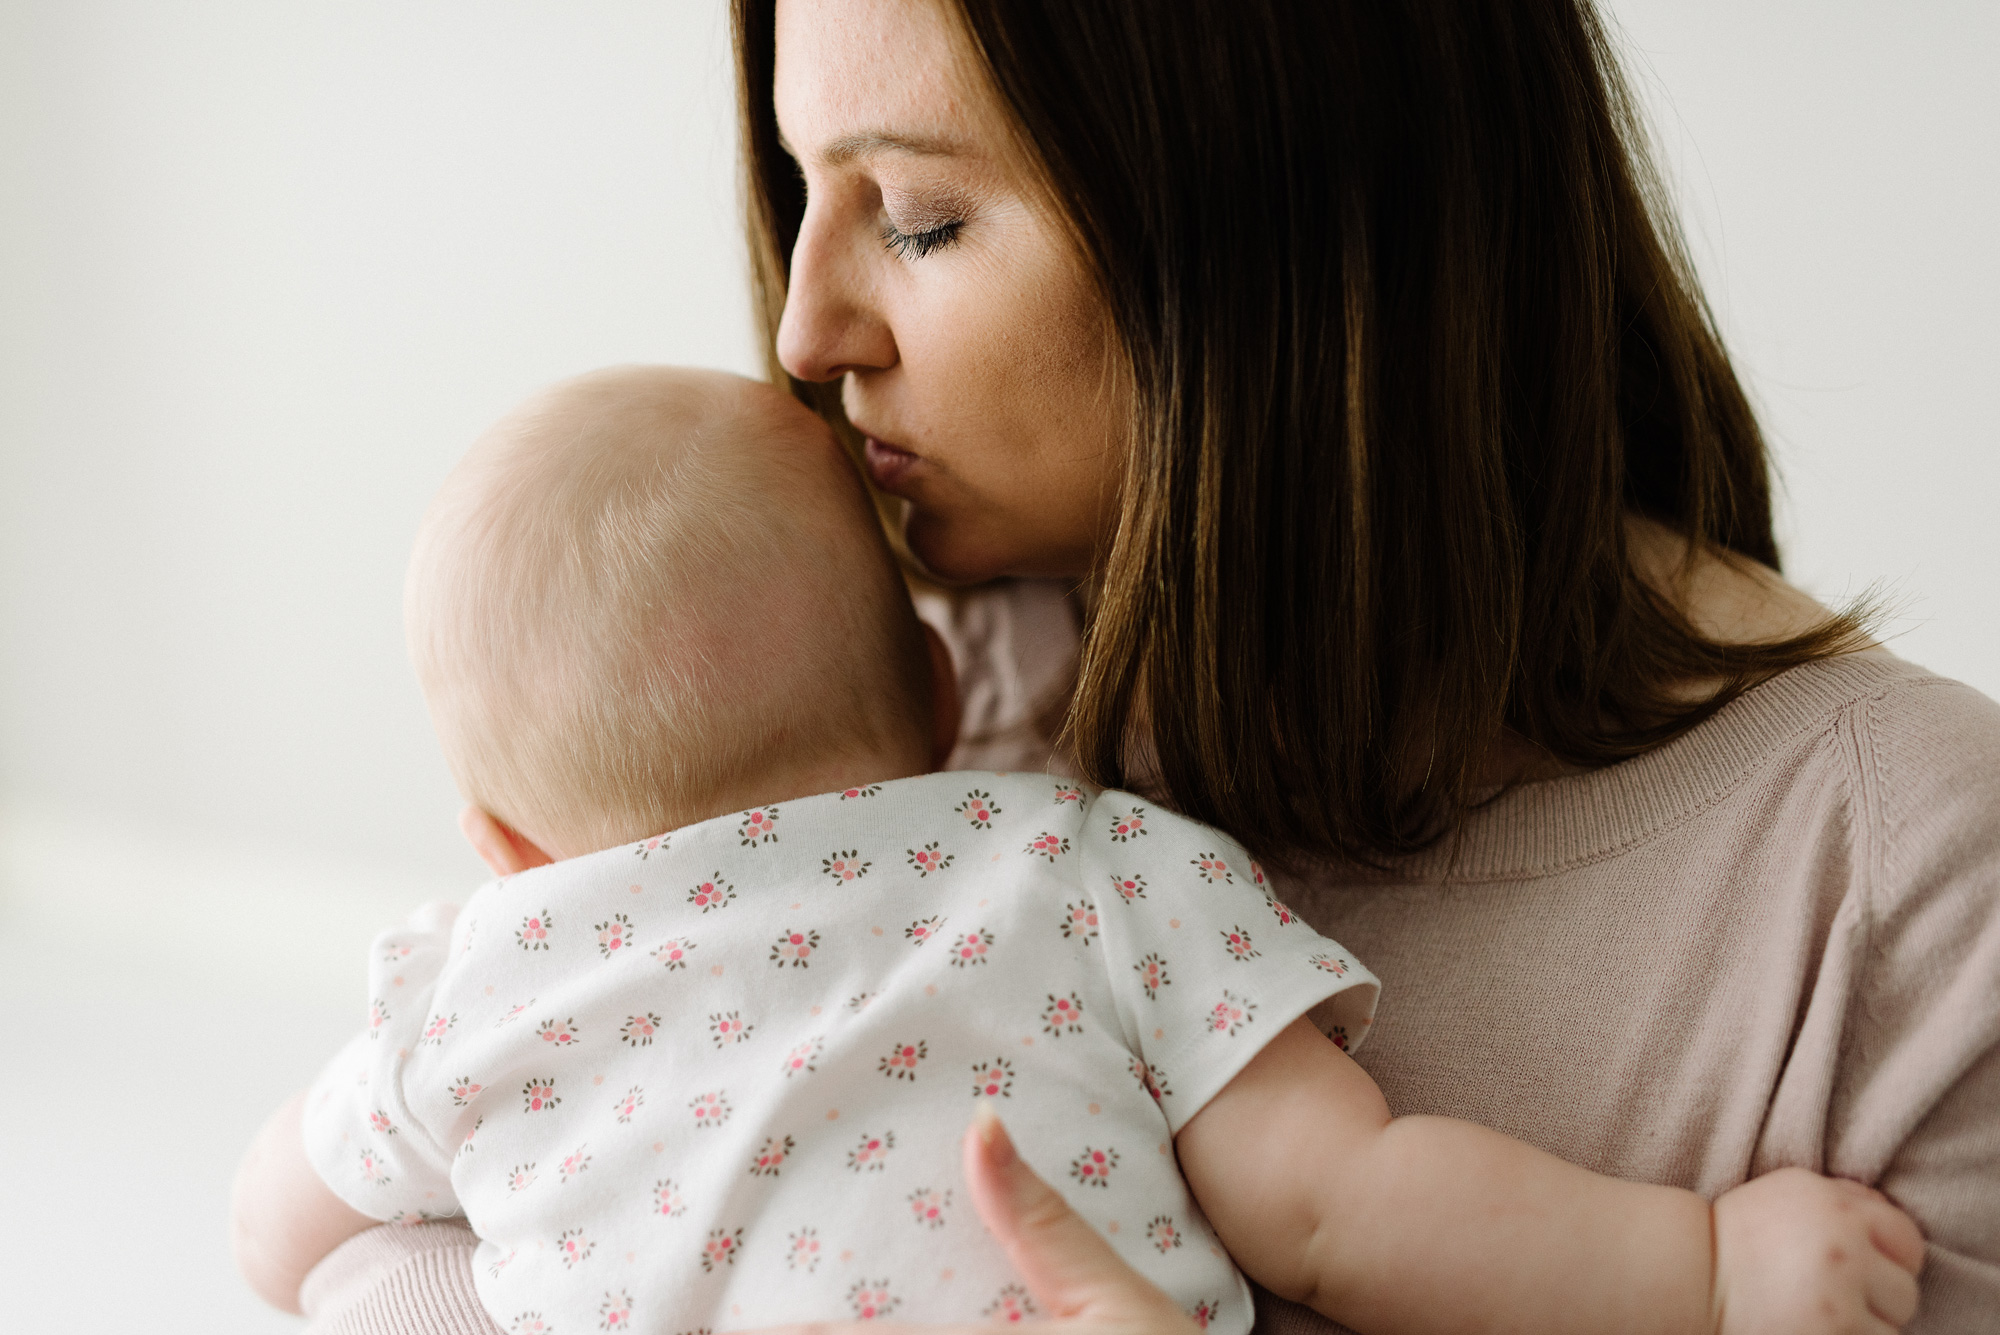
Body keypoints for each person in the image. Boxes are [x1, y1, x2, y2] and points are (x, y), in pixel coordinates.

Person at [286, 0, 2000, 1330]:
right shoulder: (902, 698)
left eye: (925, 218)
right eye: (805, 188)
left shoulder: (1900, 886)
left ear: (1289, 215)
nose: (807, 336)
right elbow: (387, 1263)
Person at [234, 364, 1922, 1335]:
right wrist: (1707, 1272)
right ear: (935, 676)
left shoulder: (470, 987)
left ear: (506, 843)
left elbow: (279, 1236)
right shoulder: (1071, 862)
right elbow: (1346, 1207)